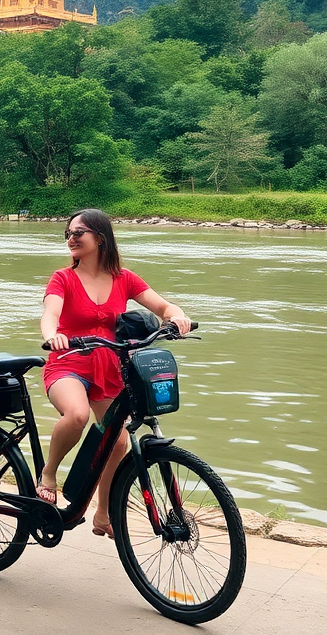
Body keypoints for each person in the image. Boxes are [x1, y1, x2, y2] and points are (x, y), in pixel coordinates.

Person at [39, 208, 192, 536]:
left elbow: (163, 306)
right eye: (68, 233)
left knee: (118, 440)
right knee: (78, 415)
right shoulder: (62, 278)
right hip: (68, 362)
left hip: (110, 367)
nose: (72, 238)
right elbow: (50, 313)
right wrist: (52, 334)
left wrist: (177, 317)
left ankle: (103, 513)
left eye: (79, 232)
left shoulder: (125, 278)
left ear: (101, 238)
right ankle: (49, 473)